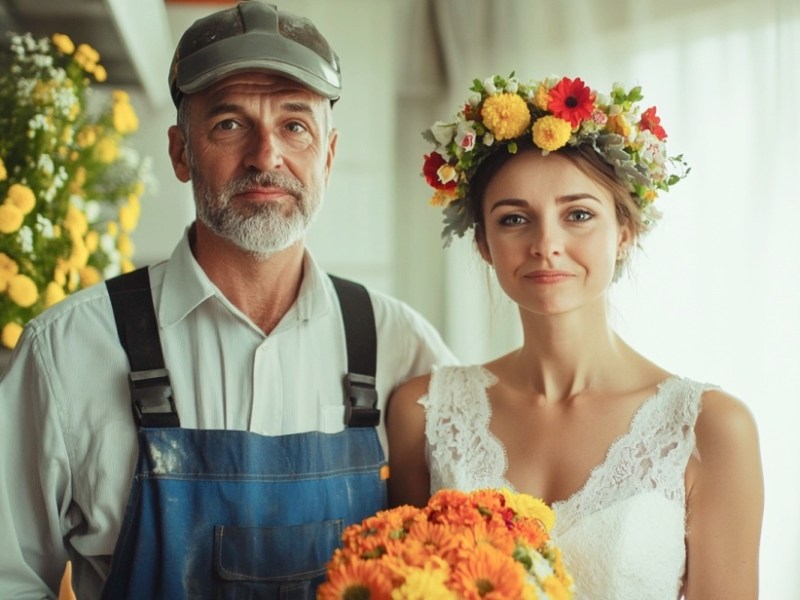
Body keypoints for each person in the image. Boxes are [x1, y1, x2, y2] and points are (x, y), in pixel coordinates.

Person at [0, 2, 455, 598]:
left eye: (295, 125)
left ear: (329, 155)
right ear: (181, 152)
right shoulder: (66, 352)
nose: (266, 156)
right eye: (230, 124)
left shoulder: (403, 350)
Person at [387, 73, 763, 599]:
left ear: (625, 233)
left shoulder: (711, 428)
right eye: (515, 219)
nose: (547, 244)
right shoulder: (423, 412)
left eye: (579, 215)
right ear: (484, 245)